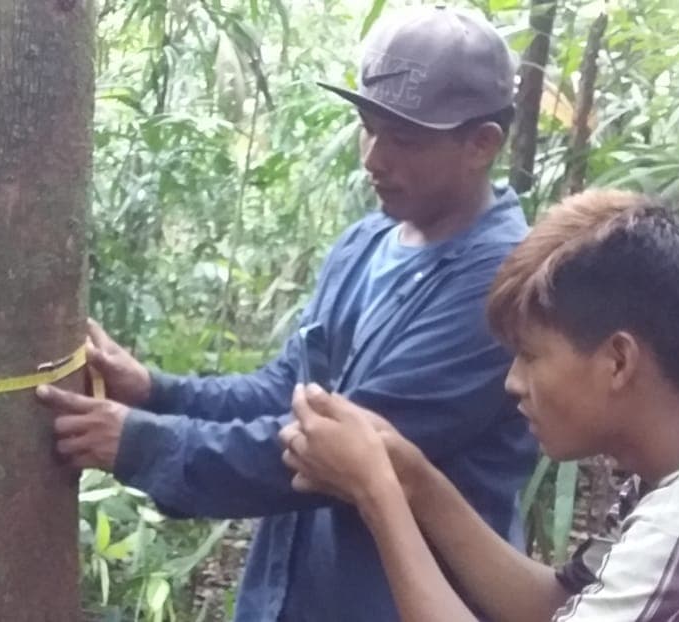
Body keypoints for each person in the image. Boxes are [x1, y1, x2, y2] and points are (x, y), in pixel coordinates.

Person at [34, 6, 537, 621]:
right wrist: (155, 392)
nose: (374, 159)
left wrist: (140, 444)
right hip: (298, 595)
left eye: (404, 141)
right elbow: (288, 389)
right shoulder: (369, 242)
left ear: (480, 144)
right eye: (367, 127)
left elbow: (334, 453)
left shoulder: (500, 288)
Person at [279, 189, 679, 622]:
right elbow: (557, 607)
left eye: (530, 354)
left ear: (618, 361)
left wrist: (377, 495)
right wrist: (414, 479)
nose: (513, 382)